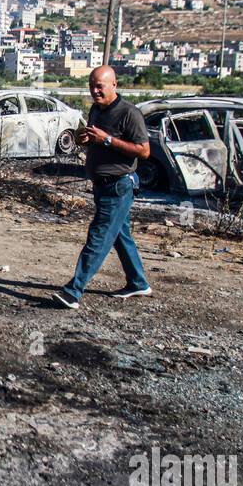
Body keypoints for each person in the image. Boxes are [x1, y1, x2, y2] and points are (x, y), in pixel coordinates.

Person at [53, 65, 151, 308]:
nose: (95, 91)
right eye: (91, 86)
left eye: (100, 86)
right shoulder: (96, 110)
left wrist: (106, 140)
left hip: (118, 186)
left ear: (114, 85)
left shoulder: (130, 113)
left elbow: (144, 151)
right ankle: (138, 283)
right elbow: (93, 139)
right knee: (120, 235)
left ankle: (73, 291)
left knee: (99, 236)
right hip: (101, 185)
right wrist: (83, 139)